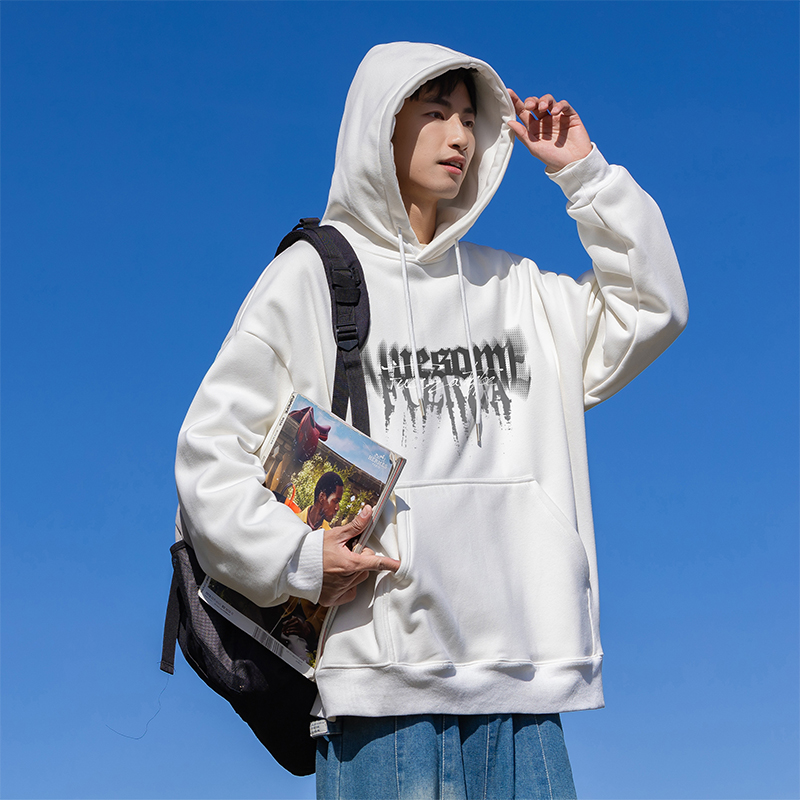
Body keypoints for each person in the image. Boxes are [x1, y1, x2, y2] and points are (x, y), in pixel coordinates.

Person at [175, 42, 687, 799]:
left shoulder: (516, 289)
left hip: (523, 682)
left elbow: (651, 307)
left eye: (470, 119)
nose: (460, 136)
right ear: (381, 126)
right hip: (379, 692)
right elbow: (209, 452)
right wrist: (299, 558)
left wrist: (585, 174)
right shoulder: (313, 277)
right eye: (436, 112)